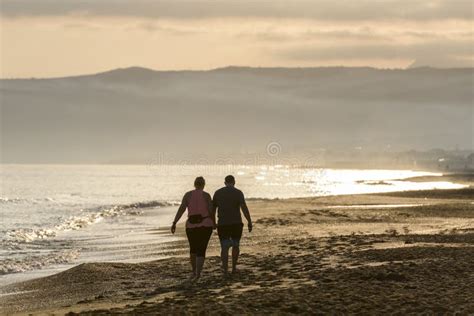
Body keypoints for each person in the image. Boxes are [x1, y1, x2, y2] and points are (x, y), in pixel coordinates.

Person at [171, 176, 214, 280]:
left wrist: (175, 222)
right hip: (205, 224)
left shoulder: (188, 195)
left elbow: (181, 209)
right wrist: (214, 223)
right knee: (202, 249)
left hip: (191, 225)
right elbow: (211, 211)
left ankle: (194, 271)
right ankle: (198, 273)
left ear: (194, 184)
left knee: (193, 249)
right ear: (203, 185)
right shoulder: (206, 195)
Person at [212, 175, 252, 276]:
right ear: (234, 182)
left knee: (224, 247)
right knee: (235, 245)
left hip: (223, 224)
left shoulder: (218, 193)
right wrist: (249, 221)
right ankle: (234, 268)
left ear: (225, 183)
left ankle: (225, 270)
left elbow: (213, 210)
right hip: (236, 223)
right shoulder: (238, 192)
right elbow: (244, 207)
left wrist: (213, 222)